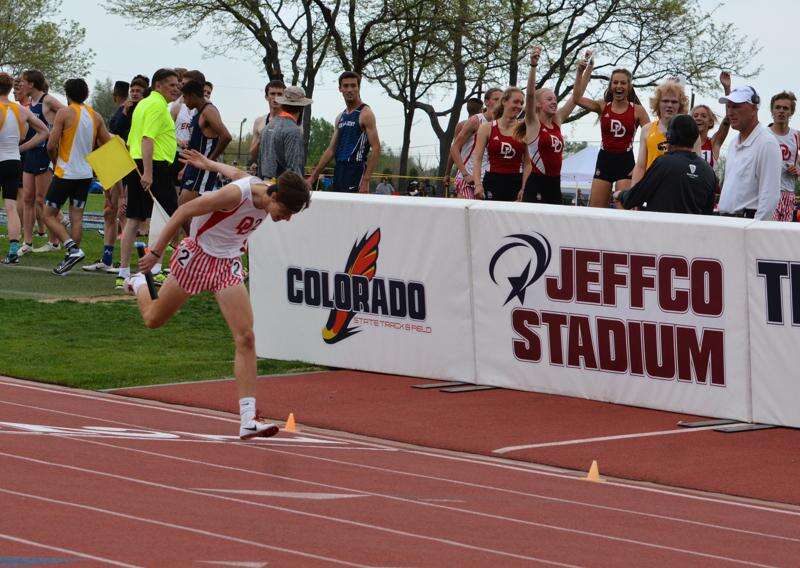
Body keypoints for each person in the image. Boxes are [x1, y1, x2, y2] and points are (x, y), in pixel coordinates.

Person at [126, 151, 311, 440]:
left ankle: (248, 419)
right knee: (153, 319)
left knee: (246, 337)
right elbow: (183, 211)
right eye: (285, 213)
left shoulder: (260, 188)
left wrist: (210, 164)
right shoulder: (236, 196)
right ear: (275, 197)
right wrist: (155, 253)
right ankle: (138, 283)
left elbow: (235, 173)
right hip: (198, 256)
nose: (285, 220)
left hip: (227, 264)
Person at [116, 68, 181, 289]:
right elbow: (146, 139)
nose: (176, 88)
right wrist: (149, 172)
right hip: (154, 166)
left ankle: (123, 272)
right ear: (159, 85)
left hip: (139, 163)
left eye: (177, 84)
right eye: (172, 85)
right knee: (166, 217)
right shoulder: (155, 105)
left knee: (134, 219)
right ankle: (153, 270)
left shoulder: (144, 103)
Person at [45, 78, 112, 275]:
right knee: (77, 218)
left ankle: (72, 249)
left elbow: (51, 145)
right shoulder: (96, 116)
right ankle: (70, 259)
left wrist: (56, 161)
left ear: (67, 94)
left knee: (47, 215)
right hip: (85, 175)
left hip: (65, 173)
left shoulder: (64, 112)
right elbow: (107, 144)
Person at [516, 47, 590, 204]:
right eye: (549, 99)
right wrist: (533, 66)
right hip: (537, 183)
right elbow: (529, 95)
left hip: (555, 183)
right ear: (538, 104)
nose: (554, 102)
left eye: (555, 99)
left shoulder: (557, 121)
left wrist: (583, 71)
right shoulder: (533, 123)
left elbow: (576, 97)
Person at [576, 68, 650, 207]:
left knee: (624, 209)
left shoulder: (638, 110)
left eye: (623, 83)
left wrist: (642, 165)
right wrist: (583, 72)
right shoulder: (603, 106)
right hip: (604, 160)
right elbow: (577, 98)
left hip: (625, 162)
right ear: (610, 86)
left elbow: (650, 138)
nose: (619, 86)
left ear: (629, 86)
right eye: (615, 82)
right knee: (595, 211)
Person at [614, 114, 716, 214]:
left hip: (663, 228)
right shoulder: (708, 171)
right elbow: (708, 212)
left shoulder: (663, 163)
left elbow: (634, 198)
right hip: (694, 229)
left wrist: (619, 195)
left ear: (670, 136)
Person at [0, 72, 49, 264]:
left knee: (13, 205)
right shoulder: (20, 109)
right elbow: (44, 131)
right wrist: (21, 148)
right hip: (13, 160)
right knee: (11, 206)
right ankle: (13, 249)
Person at [18, 69, 66, 255]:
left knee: (43, 199)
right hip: (30, 153)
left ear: (31, 84)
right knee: (28, 198)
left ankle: (54, 241)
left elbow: (67, 112)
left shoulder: (47, 100)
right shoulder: (31, 103)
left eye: (23, 82)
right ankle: (27, 243)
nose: (21, 85)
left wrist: (56, 131)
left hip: (44, 154)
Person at [308, 71, 381, 193]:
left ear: (358, 88)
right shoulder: (340, 117)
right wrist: (313, 177)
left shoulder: (365, 113)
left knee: (354, 211)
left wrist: (366, 180)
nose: (349, 89)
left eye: (353, 85)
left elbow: (376, 147)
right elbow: (331, 150)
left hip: (356, 170)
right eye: (346, 86)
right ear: (340, 89)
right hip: (339, 170)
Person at [717, 86, 782, 220]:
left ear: (753, 108)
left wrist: (755, 231)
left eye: (736, 106)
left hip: (746, 226)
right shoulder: (734, 142)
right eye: (728, 107)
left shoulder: (767, 143)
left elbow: (770, 196)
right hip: (728, 223)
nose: (730, 112)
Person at [178, 80, 232, 203]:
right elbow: (195, 145)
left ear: (192, 95)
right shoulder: (197, 111)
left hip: (203, 170)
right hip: (193, 167)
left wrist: (209, 161)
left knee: (186, 209)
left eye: (185, 97)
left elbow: (226, 136)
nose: (184, 101)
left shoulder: (209, 111)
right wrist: (186, 167)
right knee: (182, 206)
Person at [472, 87, 527, 201]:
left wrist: (524, 188)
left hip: (516, 183)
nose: (519, 106)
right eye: (516, 102)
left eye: (521, 103)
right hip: (493, 181)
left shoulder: (524, 129)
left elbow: (528, 163)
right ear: (504, 101)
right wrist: (477, 185)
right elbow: (477, 159)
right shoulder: (486, 128)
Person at [630, 79, 689, 185]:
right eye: (665, 101)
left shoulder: (690, 132)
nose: (669, 105)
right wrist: (633, 193)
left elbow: (695, 166)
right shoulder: (647, 129)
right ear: (658, 103)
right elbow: (640, 166)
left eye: (674, 102)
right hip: (651, 188)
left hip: (677, 189)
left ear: (680, 106)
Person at [450, 89, 503, 199]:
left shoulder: (502, 124)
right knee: (467, 213)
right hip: (468, 179)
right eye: (496, 99)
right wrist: (465, 174)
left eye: (502, 100)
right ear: (487, 102)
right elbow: (454, 148)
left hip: (488, 179)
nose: (499, 103)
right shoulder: (476, 121)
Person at [259, 86, 312, 179]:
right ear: (301, 108)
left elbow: (260, 162)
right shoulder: (293, 130)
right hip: (284, 188)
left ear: (282, 104)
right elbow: (294, 169)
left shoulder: (267, 127)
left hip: (265, 185)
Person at [768, 91, 799, 221]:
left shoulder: (796, 135)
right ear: (772, 110)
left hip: (789, 193)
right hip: (768, 191)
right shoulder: (763, 134)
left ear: (791, 112)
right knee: (768, 232)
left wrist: (797, 170)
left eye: (785, 108)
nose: (781, 111)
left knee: (782, 234)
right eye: (778, 107)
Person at [692, 71, 732, 171]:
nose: (698, 118)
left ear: (710, 122)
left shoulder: (713, 143)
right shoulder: (684, 144)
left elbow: (728, 119)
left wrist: (727, 89)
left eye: (703, 116)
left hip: (708, 186)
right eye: (695, 116)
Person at [250, 79, 286, 175]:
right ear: (266, 97)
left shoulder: (291, 122)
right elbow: (253, 155)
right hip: (263, 174)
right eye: (272, 94)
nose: (276, 97)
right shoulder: (259, 122)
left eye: (279, 94)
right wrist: (263, 137)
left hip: (283, 176)